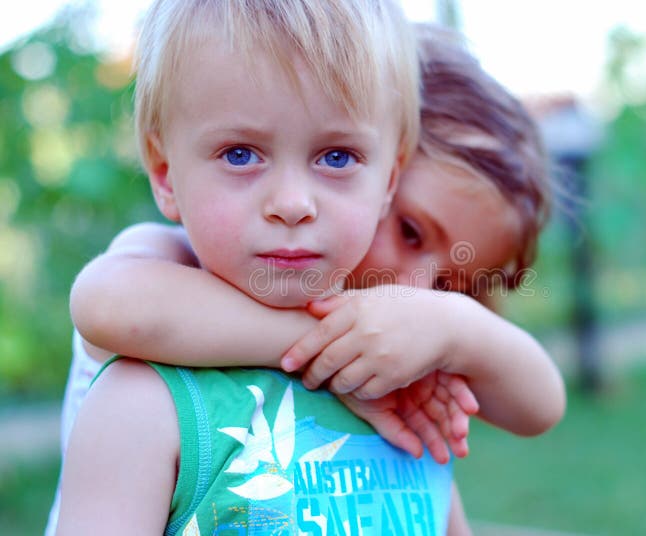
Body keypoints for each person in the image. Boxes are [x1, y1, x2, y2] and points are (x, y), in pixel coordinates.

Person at [53, 15, 565, 535]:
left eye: (448, 288)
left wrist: (453, 327)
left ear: (387, 171)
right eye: (410, 231)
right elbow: (108, 307)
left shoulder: (402, 374)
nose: (416, 290)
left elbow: (541, 406)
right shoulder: (174, 268)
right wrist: (331, 341)